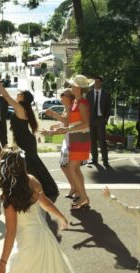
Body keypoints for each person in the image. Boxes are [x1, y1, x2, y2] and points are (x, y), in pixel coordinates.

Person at [0, 147, 85, 273]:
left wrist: (2, 262)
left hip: (28, 243)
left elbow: (11, 232)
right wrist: (61, 217)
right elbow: (46, 203)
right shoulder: (32, 181)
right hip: (44, 236)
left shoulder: (9, 199)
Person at [0, 72, 59, 198]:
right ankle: (36, 189)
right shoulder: (22, 108)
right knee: (30, 165)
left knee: (31, 165)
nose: (17, 95)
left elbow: (5, 95)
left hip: (25, 141)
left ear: (23, 98)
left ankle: (43, 189)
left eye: (20, 94)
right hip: (24, 140)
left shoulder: (20, 108)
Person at [41, 75, 93, 209]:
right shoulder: (76, 101)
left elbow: (86, 123)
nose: (71, 86)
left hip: (80, 138)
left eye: (73, 85)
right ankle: (83, 196)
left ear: (78, 88)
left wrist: (68, 128)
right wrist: (53, 132)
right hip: (76, 138)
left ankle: (83, 197)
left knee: (71, 168)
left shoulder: (81, 103)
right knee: (74, 169)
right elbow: (69, 123)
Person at [45, 88, 77, 199]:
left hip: (72, 141)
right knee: (65, 166)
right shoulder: (66, 108)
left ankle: (76, 188)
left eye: (63, 97)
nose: (61, 99)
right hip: (67, 140)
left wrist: (53, 113)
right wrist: (54, 127)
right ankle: (74, 186)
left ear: (69, 98)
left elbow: (66, 121)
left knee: (69, 167)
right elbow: (64, 124)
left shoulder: (73, 108)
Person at [86, 76, 111, 167]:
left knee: (102, 141)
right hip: (91, 120)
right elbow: (86, 108)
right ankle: (94, 159)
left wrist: (105, 119)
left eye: (98, 82)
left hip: (101, 120)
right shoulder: (89, 94)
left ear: (101, 83)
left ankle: (105, 160)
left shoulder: (106, 94)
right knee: (92, 141)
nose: (96, 83)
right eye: (95, 82)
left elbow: (109, 109)